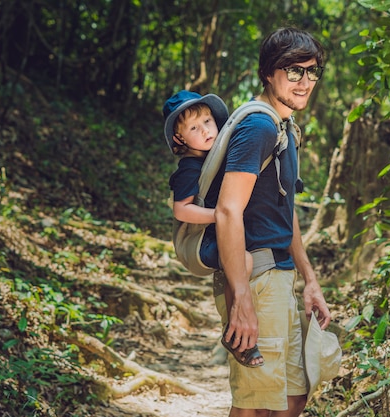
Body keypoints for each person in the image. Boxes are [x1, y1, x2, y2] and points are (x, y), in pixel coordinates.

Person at [212, 27, 331, 416]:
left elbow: (286, 210)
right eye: (293, 71)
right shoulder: (259, 127)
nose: (304, 81)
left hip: (279, 277)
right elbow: (228, 210)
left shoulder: (285, 128)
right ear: (268, 73)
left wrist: (309, 280)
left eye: (312, 72)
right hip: (255, 278)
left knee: (292, 397)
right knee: (255, 405)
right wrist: (241, 298)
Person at [163, 90, 264, 367]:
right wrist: (220, 216)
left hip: (219, 233)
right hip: (201, 242)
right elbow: (181, 210)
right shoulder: (189, 168)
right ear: (179, 139)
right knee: (242, 261)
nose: (206, 130)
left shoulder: (215, 158)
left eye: (208, 121)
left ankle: (235, 328)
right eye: (194, 127)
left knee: (241, 260)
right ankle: (236, 330)